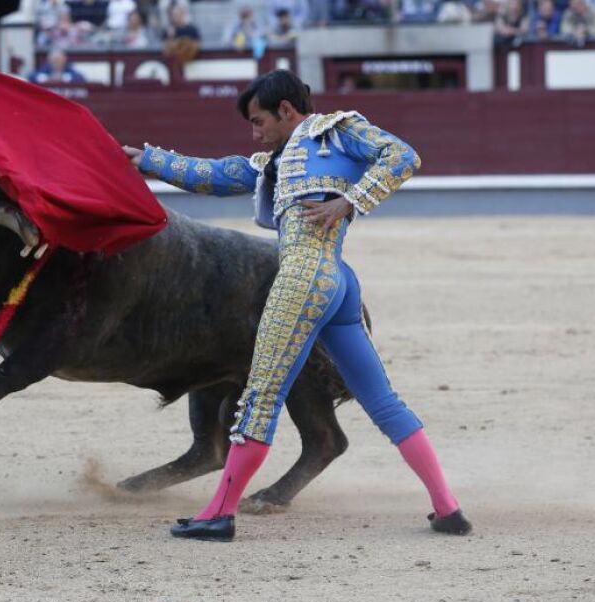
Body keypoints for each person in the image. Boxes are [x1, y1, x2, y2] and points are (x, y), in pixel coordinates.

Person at [122, 70, 472, 542]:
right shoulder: (276, 161)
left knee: (261, 396)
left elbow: (403, 156)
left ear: (286, 110)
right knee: (382, 400)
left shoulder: (337, 131)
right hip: (337, 281)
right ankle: (447, 508)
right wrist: (148, 160)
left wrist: (349, 202)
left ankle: (219, 514)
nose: (255, 132)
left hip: (304, 276)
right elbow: (216, 174)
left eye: (258, 121)